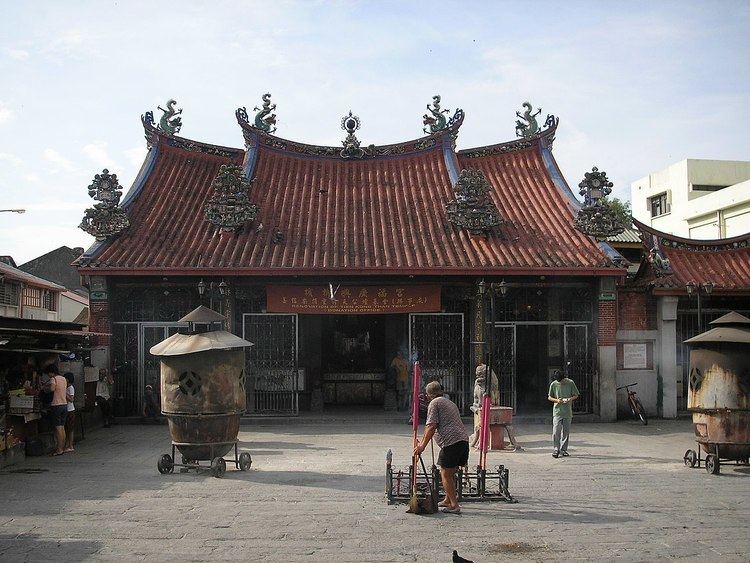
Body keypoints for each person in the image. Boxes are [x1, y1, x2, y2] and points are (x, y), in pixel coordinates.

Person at [413, 381, 469, 514]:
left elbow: (431, 426)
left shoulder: (435, 403)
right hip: (462, 441)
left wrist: (422, 446)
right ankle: (448, 499)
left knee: (445, 473)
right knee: (451, 472)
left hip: (452, 442)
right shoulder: (449, 402)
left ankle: (454, 505)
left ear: (428, 395)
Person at [548, 368, 580, 458]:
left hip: (567, 412)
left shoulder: (570, 383)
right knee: (556, 431)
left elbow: (576, 395)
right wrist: (557, 400)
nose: (560, 382)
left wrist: (569, 399)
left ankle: (563, 449)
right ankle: (556, 449)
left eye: (561, 380)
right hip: (557, 411)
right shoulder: (554, 384)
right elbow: (549, 397)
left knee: (566, 432)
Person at [45, 364, 68, 456]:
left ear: (51, 372)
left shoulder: (53, 379)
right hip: (64, 405)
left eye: (48, 373)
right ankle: (62, 447)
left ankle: (59, 449)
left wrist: (45, 388)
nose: (48, 375)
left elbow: (52, 389)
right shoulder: (63, 379)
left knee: (58, 428)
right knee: (62, 427)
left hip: (56, 405)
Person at [63, 372, 76, 453]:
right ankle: (67, 445)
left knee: (70, 429)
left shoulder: (70, 388)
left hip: (70, 410)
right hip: (66, 410)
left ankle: (71, 446)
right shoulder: (66, 387)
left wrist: (64, 393)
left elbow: (71, 399)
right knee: (67, 429)